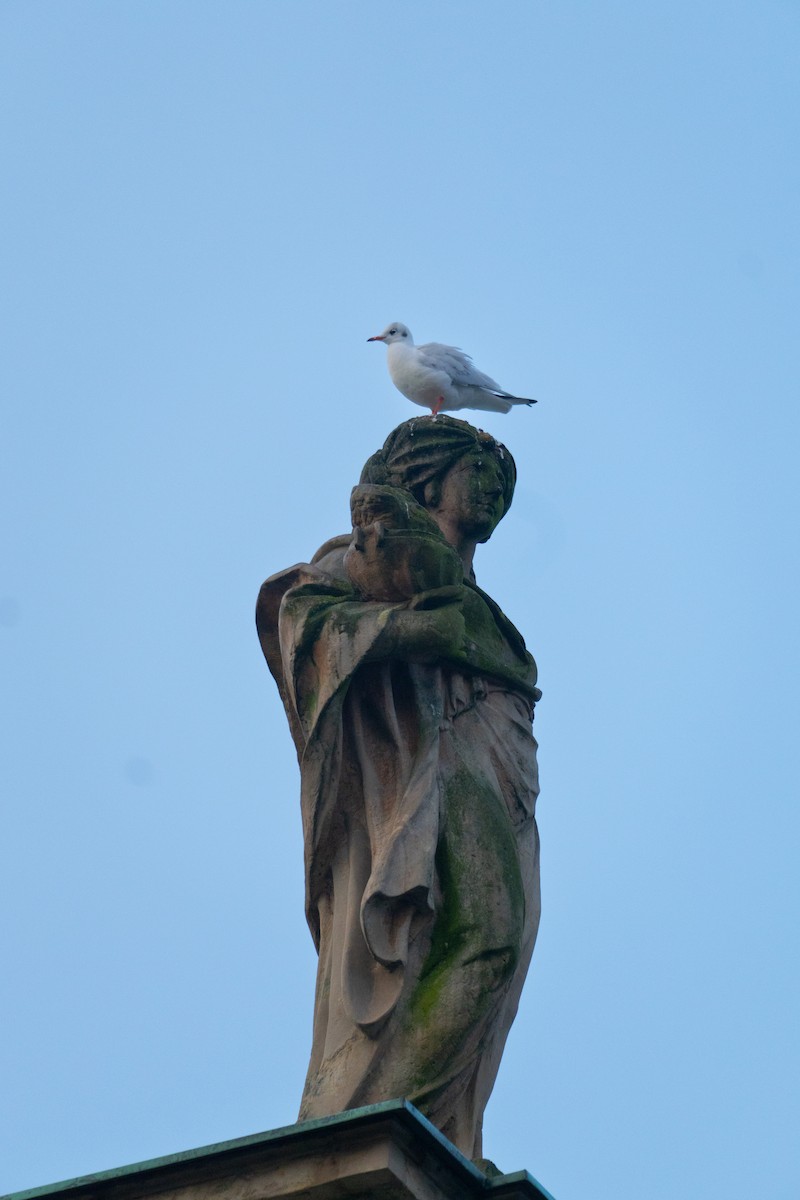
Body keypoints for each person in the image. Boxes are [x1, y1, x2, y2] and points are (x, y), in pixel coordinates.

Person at [256, 415, 541, 1161]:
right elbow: (304, 621)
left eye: (502, 480)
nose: (491, 487)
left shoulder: (481, 604)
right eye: (474, 469)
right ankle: (370, 1123)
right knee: (484, 936)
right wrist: (420, 633)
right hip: (425, 767)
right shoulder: (368, 559)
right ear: (427, 477)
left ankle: (426, 1131)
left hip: (499, 778)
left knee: (494, 948)